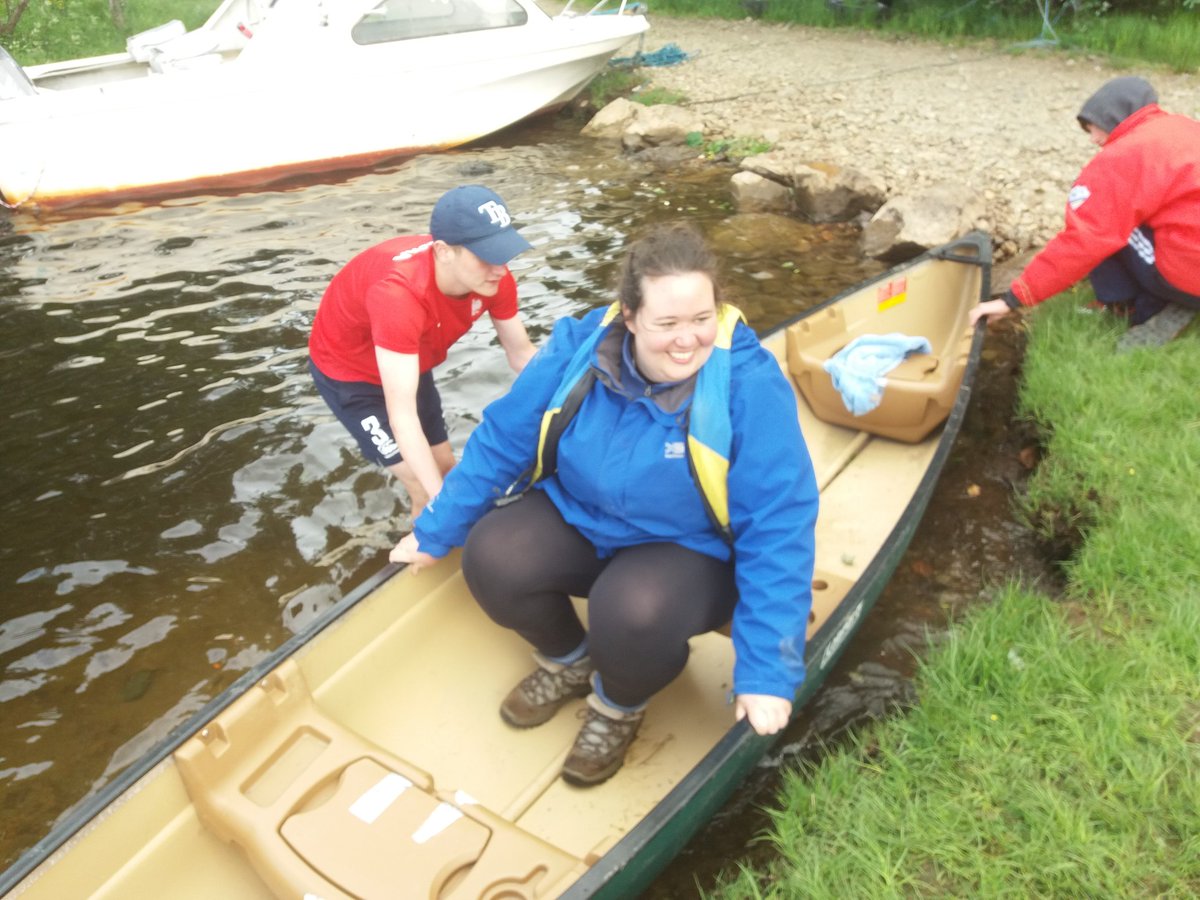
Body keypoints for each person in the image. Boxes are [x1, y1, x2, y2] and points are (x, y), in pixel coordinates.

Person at [391, 223, 819, 787]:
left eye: (700, 320)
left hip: (684, 548)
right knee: (492, 555)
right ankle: (570, 659)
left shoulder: (746, 382)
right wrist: (435, 529)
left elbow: (779, 521)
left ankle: (619, 702)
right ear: (629, 316)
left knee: (632, 610)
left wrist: (767, 669)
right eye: (667, 324)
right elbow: (504, 438)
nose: (687, 340)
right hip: (582, 516)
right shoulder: (579, 346)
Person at [308, 185, 537, 516]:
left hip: (408, 358)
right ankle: (428, 542)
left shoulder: (494, 278)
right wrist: (441, 507)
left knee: (445, 466)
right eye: (486, 255)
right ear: (443, 251)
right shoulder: (399, 297)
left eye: (503, 252)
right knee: (423, 486)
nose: (499, 268)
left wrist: (582, 398)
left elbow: (521, 354)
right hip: (350, 373)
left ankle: (458, 537)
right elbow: (402, 417)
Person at [970, 76, 1200, 343]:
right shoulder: (1183, 127)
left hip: (1190, 276)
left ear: (1113, 118)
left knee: (1105, 225)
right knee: (1128, 219)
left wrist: (1013, 299)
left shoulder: (1124, 155)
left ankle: (1134, 308)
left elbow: (1084, 240)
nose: (1092, 140)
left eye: (1092, 129)